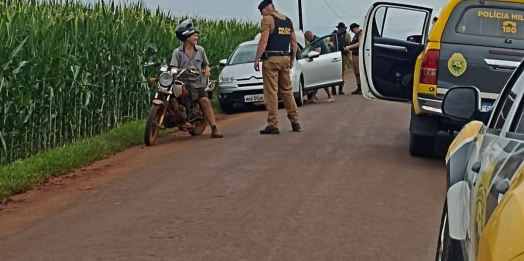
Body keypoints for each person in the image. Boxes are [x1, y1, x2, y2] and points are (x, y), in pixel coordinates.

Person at [170, 20, 223, 138]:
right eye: (194, 35)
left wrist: (207, 69)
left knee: (204, 101)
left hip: (197, 83)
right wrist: (185, 69)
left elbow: (205, 65)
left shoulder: (201, 50)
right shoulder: (177, 52)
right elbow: (173, 68)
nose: (196, 36)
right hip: (181, 83)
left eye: (196, 35)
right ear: (186, 37)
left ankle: (214, 128)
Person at [254, 0, 300, 134]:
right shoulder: (288, 20)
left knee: (271, 92)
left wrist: (257, 59)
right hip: (285, 58)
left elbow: (263, 41)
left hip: (271, 59)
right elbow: (293, 42)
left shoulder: (268, 20)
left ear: (268, 7)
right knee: (287, 91)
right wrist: (292, 58)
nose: (261, 14)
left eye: (261, 10)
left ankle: (273, 124)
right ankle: (295, 121)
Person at [304, 30, 334, 103]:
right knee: (317, 80)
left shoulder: (316, 41)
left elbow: (317, 52)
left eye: (307, 39)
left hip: (324, 61)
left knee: (322, 79)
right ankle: (313, 97)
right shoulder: (315, 39)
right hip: (323, 60)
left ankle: (330, 96)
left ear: (310, 36)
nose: (307, 40)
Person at [327, 22, 351, 95]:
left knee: (342, 71)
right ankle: (333, 89)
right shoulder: (333, 34)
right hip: (334, 54)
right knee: (332, 72)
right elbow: (329, 42)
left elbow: (349, 44)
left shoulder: (346, 35)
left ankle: (341, 88)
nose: (341, 30)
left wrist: (348, 52)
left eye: (342, 29)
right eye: (340, 29)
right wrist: (330, 43)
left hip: (342, 54)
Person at [345, 23, 363, 94]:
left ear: (355, 28)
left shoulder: (361, 34)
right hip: (354, 55)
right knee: (356, 72)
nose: (353, 32)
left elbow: (360, 43)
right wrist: (350, 55)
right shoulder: (355, 36)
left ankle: (362, 87)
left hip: (359, 55)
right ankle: (359, 87)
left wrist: (349, 47)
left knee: (360, 72)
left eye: (353, 30)